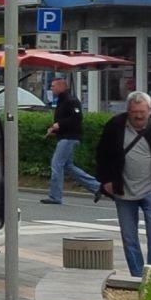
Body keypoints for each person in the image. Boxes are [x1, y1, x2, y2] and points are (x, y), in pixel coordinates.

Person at [95, 91, 151, 279]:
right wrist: (106, 181)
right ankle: (137, 277)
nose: (139, 116)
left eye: (142, 112)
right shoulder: (115, 126)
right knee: (129, 237)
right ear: (128, 111)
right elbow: (101, 155)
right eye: (134, 112)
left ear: (150, 111)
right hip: (124, 191)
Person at [41, 76, 101, 204]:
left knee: (56, 164)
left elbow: (77, 118)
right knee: (69, 166)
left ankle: (55, 197)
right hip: (65, 137)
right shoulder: (62, 100)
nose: (51, 88)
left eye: (53, 86)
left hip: (69, 138)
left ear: (62, 86)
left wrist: (59, 125)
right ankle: (97, 187)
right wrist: (55, 129)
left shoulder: (71, 100)